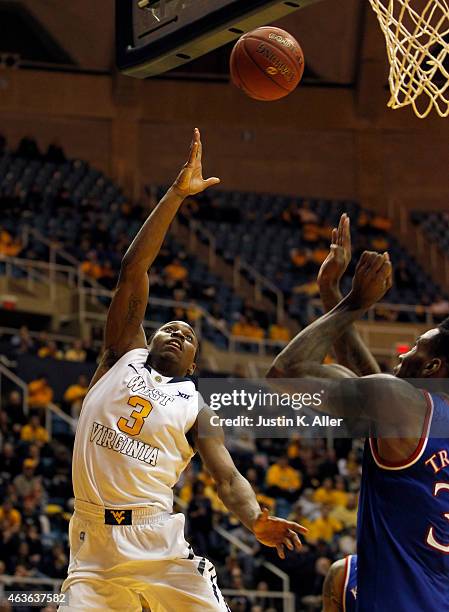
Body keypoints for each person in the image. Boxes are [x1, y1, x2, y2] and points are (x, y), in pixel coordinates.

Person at [60, 129, 306, 612]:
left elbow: (226, 475)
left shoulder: (196, 404)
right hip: (92, 548)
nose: (177, 332)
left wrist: (255, 517)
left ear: (194, 363)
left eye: (188, 335)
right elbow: (133, 270)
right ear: (147, 336)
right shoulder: (119, 355)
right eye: (169, 326)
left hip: (159, 543)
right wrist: (175, 195)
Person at [267, 214, 449, 611]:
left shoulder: (402, 407)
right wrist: (330, 290)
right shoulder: (417, 415)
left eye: (415, 347)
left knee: (344, 576)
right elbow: (373, 382)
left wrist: (353, 303)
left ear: (433, 368)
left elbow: (284, 374)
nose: (402, 355)